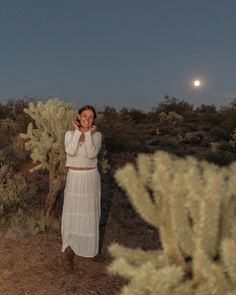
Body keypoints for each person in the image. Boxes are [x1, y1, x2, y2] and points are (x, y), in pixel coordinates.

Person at [61, 105, 103, 272]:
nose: (87, 119)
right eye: (84, 115)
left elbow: (91, 153)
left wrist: (88, 134)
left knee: (89, 212)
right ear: (78, 116)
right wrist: (79, 132)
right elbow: (70, 151)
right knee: (73, 212)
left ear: (93, 120)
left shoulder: (97, 135)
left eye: (91, 116)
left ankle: (89, 249)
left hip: (90, 177)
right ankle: (70, 251)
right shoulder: (69, 134)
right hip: (74, 177)